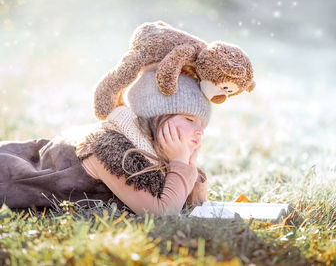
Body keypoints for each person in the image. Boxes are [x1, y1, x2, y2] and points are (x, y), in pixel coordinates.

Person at [0, 69, 211, 215]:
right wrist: (181, 164)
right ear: (157, 116)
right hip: (10, 172)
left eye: (202, 124)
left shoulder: (151, 151)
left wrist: (187, 162)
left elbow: (193, 205)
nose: (200, 131)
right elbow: (162, 213)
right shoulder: (112, 150)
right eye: (190, 119)